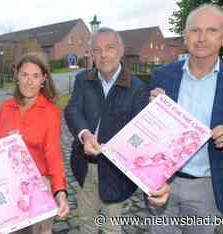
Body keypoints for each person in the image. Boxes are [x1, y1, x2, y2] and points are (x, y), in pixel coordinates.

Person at [64, 27, 169, 234]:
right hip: (85, 165)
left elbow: (142, 135)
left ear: (121, 50)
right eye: (97, 49)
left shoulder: (138, 88)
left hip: (116, 171)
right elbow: (73, 109)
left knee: (111, 226)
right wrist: (85, 135)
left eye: (109, 48)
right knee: (85, 220)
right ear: (91, 54)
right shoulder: (82, 79)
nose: (103, 54)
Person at [148, 3, 223, 234]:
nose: (202, 37)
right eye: (195, 30)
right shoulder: (162, 76)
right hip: (163, 180)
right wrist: (150, 113)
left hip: (207, 187)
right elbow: (148, 135)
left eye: (212, 30)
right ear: (185, 37)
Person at [0, 52, 70, 234]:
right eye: (25, 75)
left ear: (43, 79)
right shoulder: (6, 107)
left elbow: (53, 153)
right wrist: (6, 144)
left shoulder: (51, 111)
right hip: (9, 187)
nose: (29, 82)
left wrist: (60, 191)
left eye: (35, 76)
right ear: (17, 77)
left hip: (39, 189)